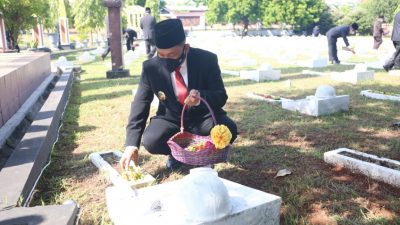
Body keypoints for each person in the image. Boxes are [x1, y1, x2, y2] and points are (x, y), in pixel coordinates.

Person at [120, 19, 238, 171]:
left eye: (172, 54)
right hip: (171, 120)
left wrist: (199, 98)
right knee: (151, 140)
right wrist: (131, 144)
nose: (166, 59)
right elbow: (140, 103)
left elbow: (220, 95)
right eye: (161, 54)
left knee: (228, 129)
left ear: (185, 47)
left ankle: (205, 154)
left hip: (203, 118)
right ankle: (175, 154)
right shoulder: (151, 68)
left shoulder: (206, 60)